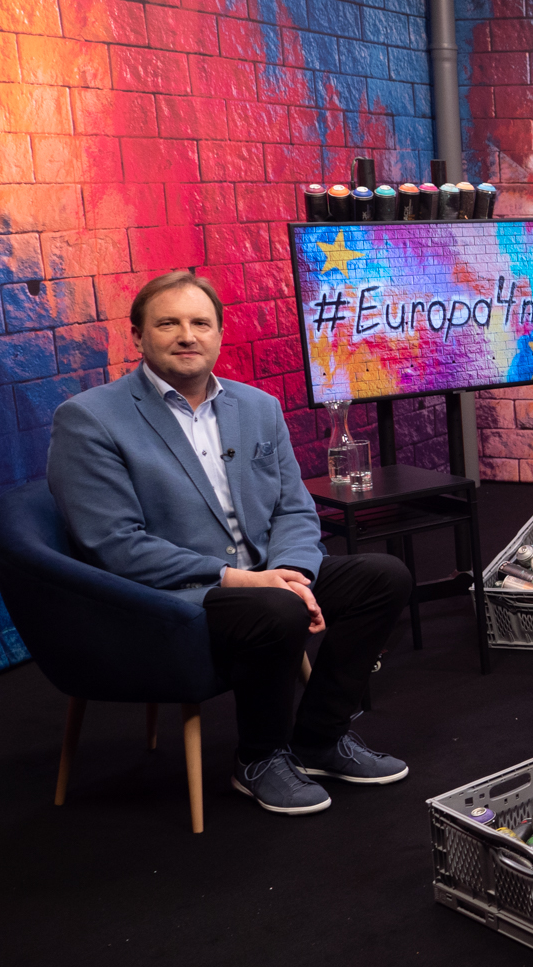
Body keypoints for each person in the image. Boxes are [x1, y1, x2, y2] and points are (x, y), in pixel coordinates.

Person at [47, 271, 414, 817]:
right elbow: (114, 545)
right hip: (173, 597)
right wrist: (245, 580)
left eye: (200, 323)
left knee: (383, 576)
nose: (186, 336)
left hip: (266, 574)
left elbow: (294, 509)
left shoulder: (258, 406)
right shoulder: (89, 418)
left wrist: (294, 574)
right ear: (138, 336)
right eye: (168, 324)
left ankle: (319, 738)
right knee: (275, 609)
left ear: (219, 334)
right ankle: (259, 758)